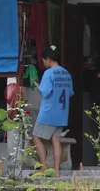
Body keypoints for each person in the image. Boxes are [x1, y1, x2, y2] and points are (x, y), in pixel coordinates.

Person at [32, 45, 74, 176]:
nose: (43, 63)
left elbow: (45, 92)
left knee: (35, 137)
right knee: (56, 141)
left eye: (44, 60)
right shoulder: (66, 73)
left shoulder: (48, 73)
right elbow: (70, 93)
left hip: (48, 113)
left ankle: (43, 167)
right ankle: (56, 171)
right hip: (61, 113)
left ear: (48, 59)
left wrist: (38, 86)